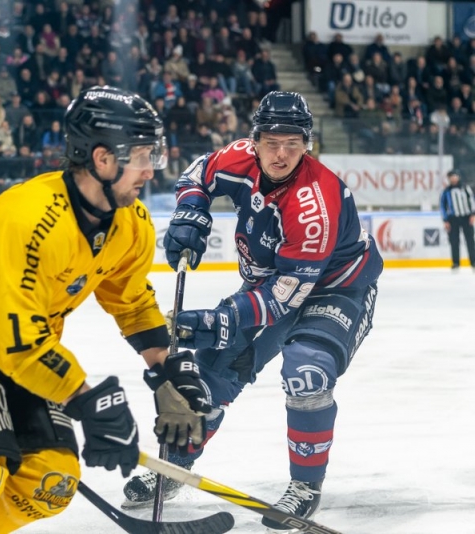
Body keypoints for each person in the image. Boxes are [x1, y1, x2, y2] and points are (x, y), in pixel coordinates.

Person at [0, 86, 213, 533]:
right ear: (102, 159)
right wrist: (88, 401)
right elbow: (13, 342)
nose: (149, 169)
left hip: (24, 348)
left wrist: (167, 370)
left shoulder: (130, 223)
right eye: (140, 155)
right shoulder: (29, 220)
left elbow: (131, 299)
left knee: (51, 483)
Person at [122, 91, 383, 529]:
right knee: (208, 374)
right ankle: (173, 468)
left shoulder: (312, 204)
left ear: (308, 145)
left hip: (334, 289)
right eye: (272, 142)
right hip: (275, 280)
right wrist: (191, 211)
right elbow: (198, 172)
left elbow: (284, 298)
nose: (281, 154)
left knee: (308, 369)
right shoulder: (238, 157)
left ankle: (306, 484)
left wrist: (215, 321)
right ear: (254, 139)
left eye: (293, 144)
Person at [439, 169, 475, 270]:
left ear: (458, 177)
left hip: (466, 217)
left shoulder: (465, 188)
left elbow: (472, 200)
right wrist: (445, 220)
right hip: (453, 219)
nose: (454, 178)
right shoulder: (446, 191)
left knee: (470, 240)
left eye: (455, 176)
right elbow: (442, 206)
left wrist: (473, 214)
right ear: (449, 179)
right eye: (451, 176)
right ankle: (456, 262)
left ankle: (473, 261)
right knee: (454, 241)